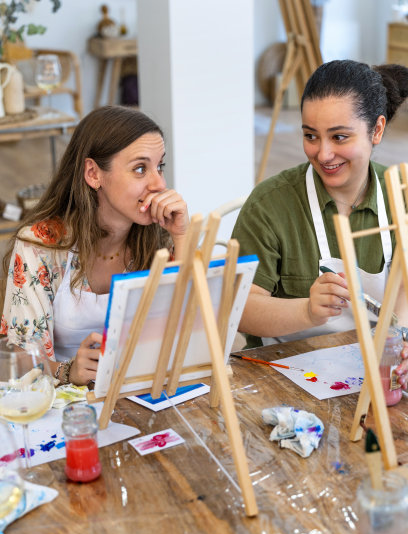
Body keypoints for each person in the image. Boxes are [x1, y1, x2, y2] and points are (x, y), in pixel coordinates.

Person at [233, 60, 408, 375]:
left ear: (377, 130)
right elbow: (238, 310)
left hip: (377, 373)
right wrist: (308, 310)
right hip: (278, 373)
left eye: (339, 137)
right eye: (311, 136)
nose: (323, 154)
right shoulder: (270, 204)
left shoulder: (401, 196)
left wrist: (399, 342)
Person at [1, 106, 189, 386]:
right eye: (140, 169)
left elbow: (192, 331)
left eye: (159, 166)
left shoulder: (161, 237)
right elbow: (18, 357)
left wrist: (183, 237)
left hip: (141, 394)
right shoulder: (40, 247)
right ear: (93, 174)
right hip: (63, 404)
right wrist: (69, 371)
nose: (159, 183)